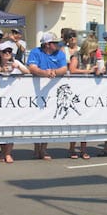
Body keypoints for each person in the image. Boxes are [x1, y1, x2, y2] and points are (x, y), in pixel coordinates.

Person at [0, 42, 30, 163]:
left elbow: (28, 72)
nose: (7, 54)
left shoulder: (16, 62)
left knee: (11, 127)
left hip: (13, 100)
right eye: (5, 52)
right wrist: (0, 69)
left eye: (9, 51)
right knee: (1, 127)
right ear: (0, 53)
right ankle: (2, 152)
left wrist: (18, 67)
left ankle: (8, 153)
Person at [27, 32, 68, 160]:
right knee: (36, 119)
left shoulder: (60, 53)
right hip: (36, 90)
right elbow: (32, 68)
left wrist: (53, 72)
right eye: (54, 42)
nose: (57, 45)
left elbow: (64, 69)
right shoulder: (35, 52)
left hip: (53, 91)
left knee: (47, 120)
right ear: (47, 44)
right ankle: (36, 148)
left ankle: (43, 149)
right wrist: (45, 73)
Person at [67, 39, 103, 159]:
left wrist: (100, 70)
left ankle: (83, 149)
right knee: (75, 123)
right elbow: (72, 70)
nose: (96, 52)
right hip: (76, 90)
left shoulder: (94, 58)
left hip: (88, 92)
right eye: (94, 49)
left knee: (86, 123)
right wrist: (88, 71)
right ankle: (72, 149)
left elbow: (98, 71)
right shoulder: (76, 56)